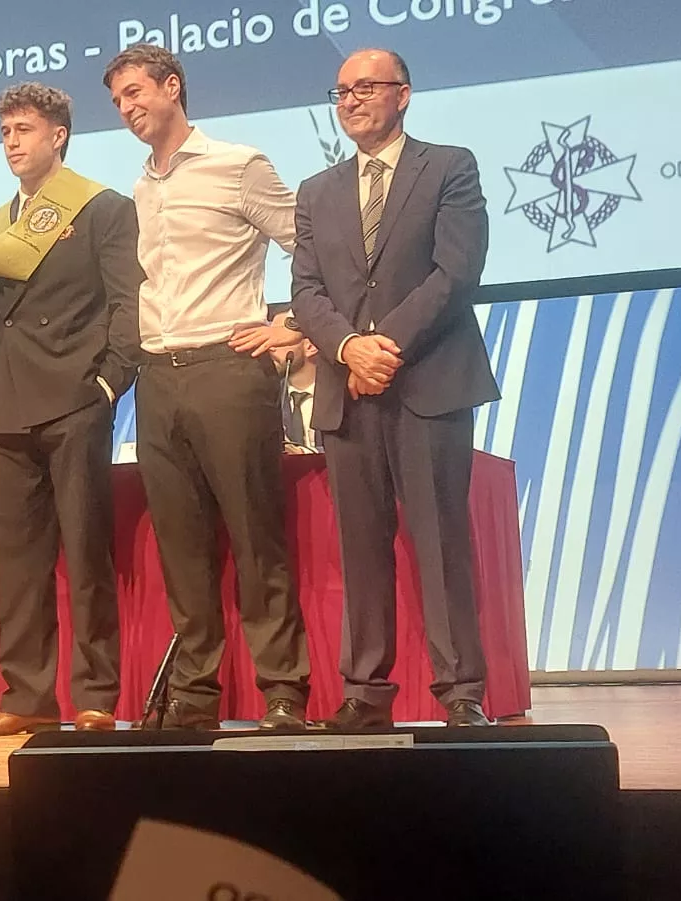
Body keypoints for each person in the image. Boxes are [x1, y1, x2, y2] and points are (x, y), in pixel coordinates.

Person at [286, 49, 500, 728]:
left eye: (365, 88)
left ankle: (461, 689)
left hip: (429, 382)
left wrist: (386, 346)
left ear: (403, 95)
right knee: (361, 546)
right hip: (347, 391)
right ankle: (364, 693)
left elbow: (457, 272)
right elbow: (306, 291)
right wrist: (349, 346)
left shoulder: (450, 166)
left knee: (440, 542)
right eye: (341, 91)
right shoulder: (317, 191)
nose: (349, 100)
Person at [104, 45, 311, 731]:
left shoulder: (238, 164)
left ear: (172, 87)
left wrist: (295, 325)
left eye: (136, 92)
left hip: (228, 368)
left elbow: (308, 245)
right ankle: (195, 693)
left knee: (256, 539)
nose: (129, 108)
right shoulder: (140, 186)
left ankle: (283, 688)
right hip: (158, 380)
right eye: (118, 101)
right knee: (182, 548)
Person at [0, 82, 142, 736]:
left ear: (57, 135)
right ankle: (27, 694)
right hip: (5, 407)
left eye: (25, 129)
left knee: (87, 554)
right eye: (6, 131)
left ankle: (95, 692)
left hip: (74, 399)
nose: (13, 142)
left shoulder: (101, 208)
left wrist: (109, 385)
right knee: (18, 564)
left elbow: (127, 303)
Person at [265, 310, 321, 454]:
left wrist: (304, 453)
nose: (269, 348)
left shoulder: (340, 394)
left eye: (278, 340)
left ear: (310, 346)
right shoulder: (267, 398)